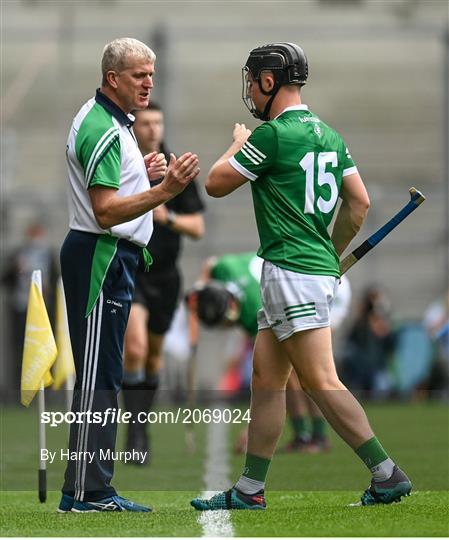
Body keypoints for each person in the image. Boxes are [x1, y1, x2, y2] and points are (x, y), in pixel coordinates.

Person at [191, 42, 411, 511]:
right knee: (266, 379)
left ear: (269, 82)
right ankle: (250, 490)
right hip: (303, 270)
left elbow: (213, 183)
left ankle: (386, 473)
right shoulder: (331, 136)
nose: (250, 89)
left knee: (319, 381)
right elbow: (359, 204)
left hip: (290, 271)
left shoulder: (270, 136)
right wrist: (330, 254)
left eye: (253, 80)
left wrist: (237, 141)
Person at [58, 37, 199, 513]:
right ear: (113, 78)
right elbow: (104, 211)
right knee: (100, 378)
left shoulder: (113, 123)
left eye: (152, 75)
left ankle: (90, 488)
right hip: (100, 254)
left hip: (111, 257)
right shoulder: (102, 127)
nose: (148, 83)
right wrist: (167, 191)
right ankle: (87, 492)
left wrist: (144, 170)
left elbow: (113, 187)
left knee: (107, 374)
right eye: (139, 76)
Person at [121, 102, 205, 463]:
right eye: (146, 122)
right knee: (135, 348)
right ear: (133, 126)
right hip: (132, 270)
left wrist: (166, 214)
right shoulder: (124, 164)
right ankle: (134, 433)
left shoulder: (178, 169)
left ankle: (142, 424)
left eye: (158, 122)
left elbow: (198, 228)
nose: (152, 128)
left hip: (166, 277)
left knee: (153, 355)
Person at [1, 222, 58, 401]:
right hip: (20, 308)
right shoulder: (17, 254)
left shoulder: (49, 255)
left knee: (45, 348)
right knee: (20, 349)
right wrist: (15, 269)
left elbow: (58, 282)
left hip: (43, 311)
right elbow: (5, 279)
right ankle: (21, 391)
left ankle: (47, 393)